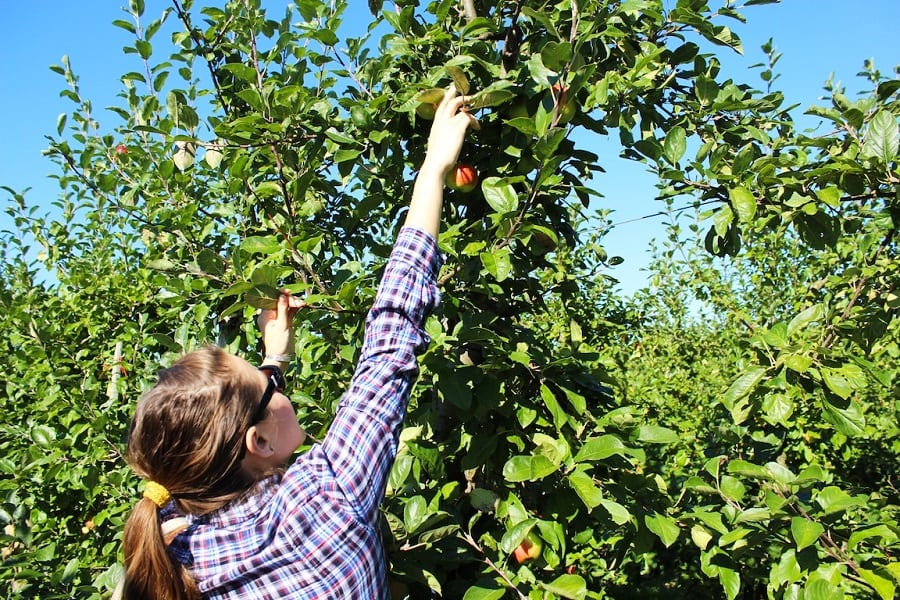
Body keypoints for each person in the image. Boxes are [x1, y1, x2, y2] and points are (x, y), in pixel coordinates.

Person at [120, 86, 478, 600]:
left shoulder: (166, 543)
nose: (275, 385)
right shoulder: (327, 499)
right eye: (267, 389)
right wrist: (433, 167)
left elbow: (239, 428)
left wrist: (273, 361)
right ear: (258, 443)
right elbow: (390, 338)